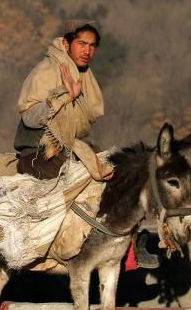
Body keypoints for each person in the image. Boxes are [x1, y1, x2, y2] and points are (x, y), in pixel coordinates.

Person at [13, 19, 158, 268]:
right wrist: (60, 98)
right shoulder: (47, 71)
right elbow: (29, 116)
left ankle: (132, 240)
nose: (87, 50)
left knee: (122, 173)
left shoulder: (83, 75)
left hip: (72, 147)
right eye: (81, 44)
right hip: (39, 150)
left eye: (92, 45)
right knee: (81, 180)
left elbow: (82, 120)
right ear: (66, 43)